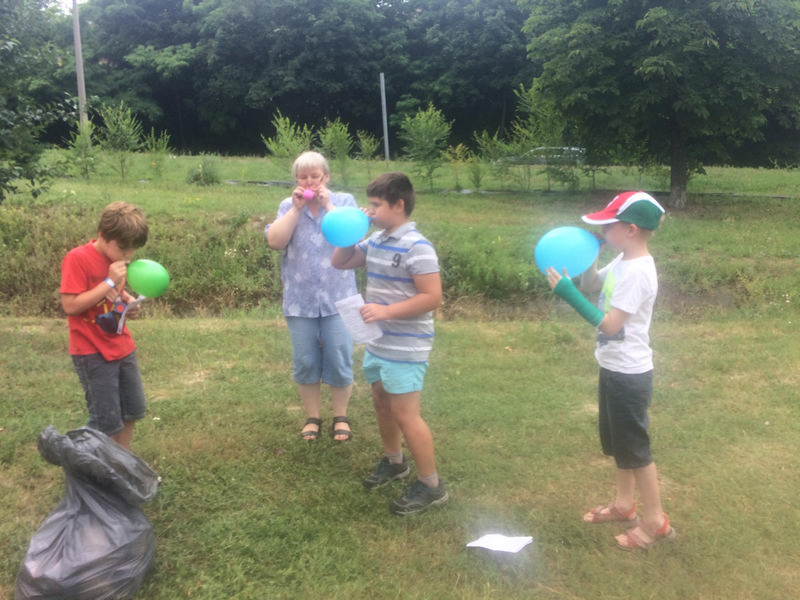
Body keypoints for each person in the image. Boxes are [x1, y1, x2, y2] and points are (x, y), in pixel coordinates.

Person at [545, 191, 676, 551]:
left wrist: (568, 295)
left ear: (630, 229)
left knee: (636, 450)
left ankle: (655, 521)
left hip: (630, 376)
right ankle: (624, 505)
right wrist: (590, 258)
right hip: (613, 368)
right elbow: (591, 285)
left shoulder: (638, 272)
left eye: (607, 226)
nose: (601, 231)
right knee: (620, 445)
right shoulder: (622, 260)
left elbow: (610, 325)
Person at [332, 172, 448, 516]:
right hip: (379, 343)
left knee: (405, 414)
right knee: (381, 402)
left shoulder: (417, 246)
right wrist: (351, 234)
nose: (370, 211)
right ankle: (395, 462)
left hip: (407, 346)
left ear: (398, 205)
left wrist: (386, 311)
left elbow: (432, 297)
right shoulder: (376, 241)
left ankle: (431, 486)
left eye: (376, 205)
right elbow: (340, 261)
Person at [265, 151, 357, 441]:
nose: (309, 182)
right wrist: (296, 210)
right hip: (300, 299)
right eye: (303, 177)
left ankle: (340, 416)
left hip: (339, 297)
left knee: (339, 357)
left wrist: (328, 205)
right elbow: (275, 242)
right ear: (296, 180)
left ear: (325, 177)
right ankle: (313, 417)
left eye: (315, 176)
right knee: (305, 360)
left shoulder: (344, 202)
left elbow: (351, 236)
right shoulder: (287, 205)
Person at [60, 201, 150, 450]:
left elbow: (113, 296)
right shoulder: (77, 258)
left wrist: (128, 302)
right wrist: (109, 282)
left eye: (133, 249)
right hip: (92, 352)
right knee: (106, 422)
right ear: (102, 235)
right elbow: (70, 306)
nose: (128, 255)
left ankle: (122, 462)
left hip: (122, 346)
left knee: (131, 410)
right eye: (123, 248)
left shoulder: (116, 262)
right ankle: (93, 464)